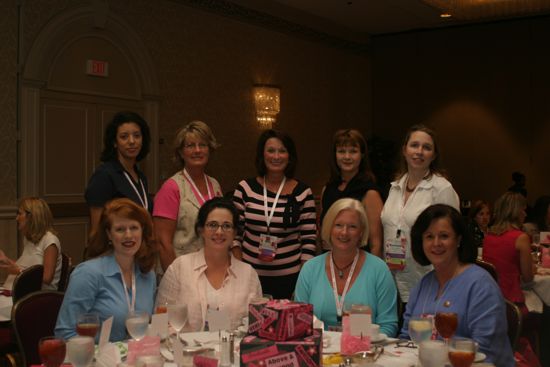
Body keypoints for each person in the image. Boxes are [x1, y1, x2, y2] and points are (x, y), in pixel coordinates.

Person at [400, 204, 514, 367]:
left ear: (459, 240)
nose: (436, 243)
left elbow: (486, 353)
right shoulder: (423, 284)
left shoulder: (480, 285)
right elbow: (406, 339)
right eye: (429, 236)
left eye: (444, 236)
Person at [55, 199, 157, 342]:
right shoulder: (88, 274)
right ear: (109, 234)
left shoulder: (148, 274)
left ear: (142, 231)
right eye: (120, 229)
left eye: (134, 227)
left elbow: (149, 328)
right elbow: (64, 333)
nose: (128, 235)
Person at [232, 129, 316, 300]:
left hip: (290, 279)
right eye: (271, 150)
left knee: (285, 326)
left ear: (290, 156)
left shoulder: (303, 192)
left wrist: (302, 283)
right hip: (250, 277)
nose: (276, 156)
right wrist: (241, 271)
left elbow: (309, 241)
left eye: (282, 151)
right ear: (262, 155)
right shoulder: (245, 189)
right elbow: (234, 234)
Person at [295, 198, 398, 336]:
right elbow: (299, 321)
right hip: (321, 351)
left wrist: (363, 346)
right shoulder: (310, 269)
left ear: (361, 232)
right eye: (338, 225)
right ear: (329, 228)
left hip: (364, 352)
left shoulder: (379, 270)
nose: (344, 232)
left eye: (352, 227)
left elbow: (388, 326)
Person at [381, 124, 459, 304]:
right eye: (414, 145)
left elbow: (453, 238)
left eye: (427, 147)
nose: (419, 151)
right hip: (392, 281)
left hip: (428, 281)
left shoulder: (441, 188)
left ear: (434, 155)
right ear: (404, 150)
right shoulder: (395, 188)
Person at [156, 197, 262, 331]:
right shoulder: (180, 267)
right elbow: (160, 322)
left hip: (233, 351)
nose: (219, 232)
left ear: (235, 232)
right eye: (212, 225)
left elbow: (256, 327)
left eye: (227, 226)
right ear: (201, 230)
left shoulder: (249, 274)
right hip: (185, 350)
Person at [153, 121, 223, 272]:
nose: (197, 150)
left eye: (202, 145)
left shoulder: (215, 185)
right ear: (180, 152)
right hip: (181, 272)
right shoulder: (171, 188)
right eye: (190, 146)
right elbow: (163, 243)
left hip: (210, 270)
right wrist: (176, 279)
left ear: (210, 149)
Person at [85, 112, 152, 239]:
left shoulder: (141, 177)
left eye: (137, 136)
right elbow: (96, 230)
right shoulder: (104, 175)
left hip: (139, 249)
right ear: (114, 142)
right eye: (124, 137)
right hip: (114, 252)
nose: (132, 141)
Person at [320, 129, 384, 257]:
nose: (347, 157)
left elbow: (376, 244)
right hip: (330, 262)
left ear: (362, 155)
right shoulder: (327, 189)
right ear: (335, 155)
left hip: (359, 265)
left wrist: (371, 274)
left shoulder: (370, 193)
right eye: (341, 151)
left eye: (353, 151)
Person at [483, 192, 533, 311]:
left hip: (488, 299)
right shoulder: (521, 238)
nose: (525, 214)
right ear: (515, 212)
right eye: (523, 210)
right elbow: (528, 278)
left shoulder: (488, 236)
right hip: (511, 303)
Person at [0, 197, 61, 291]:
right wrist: (7, 261)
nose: (17, 218)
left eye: (20, 214)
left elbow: (46, 278)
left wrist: (18, 272)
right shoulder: (29, 239)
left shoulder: (50, 240)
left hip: (38, 297)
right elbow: (27, 268)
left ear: (31, 217)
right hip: (22, 291)